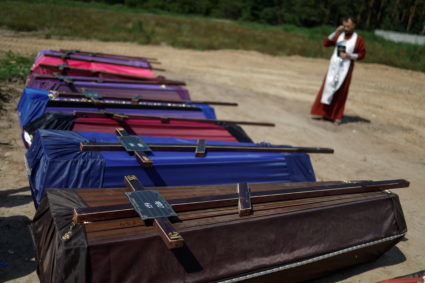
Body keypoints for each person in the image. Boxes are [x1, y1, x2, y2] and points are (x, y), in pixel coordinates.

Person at [310, 17, 366, 125]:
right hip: (334, 67)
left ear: (353, 26)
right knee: (328, 88)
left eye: (348, 26)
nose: (345, 28)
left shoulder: (358, 39)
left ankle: (337, 116)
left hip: (345, 68)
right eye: (344, 25)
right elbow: (326, 43)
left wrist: (350, 55)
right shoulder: (339, 35)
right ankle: (324, 113)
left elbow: (362, 55)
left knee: (341, 92)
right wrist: (336, 32)